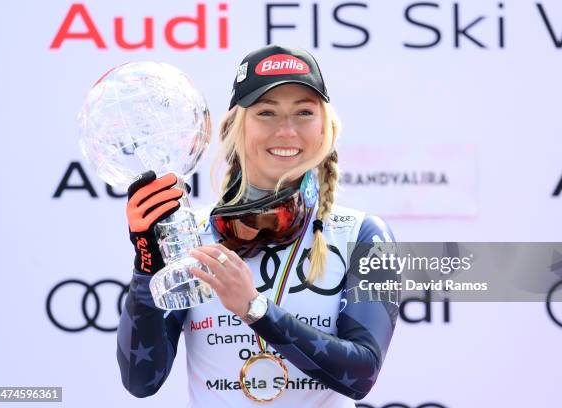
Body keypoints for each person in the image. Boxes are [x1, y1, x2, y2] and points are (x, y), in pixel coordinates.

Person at [117, 44, 399, 407]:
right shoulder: (191, 234)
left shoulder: (363, 234)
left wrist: (255, 308)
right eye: (266, 112)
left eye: (304, 113)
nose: (286, 130)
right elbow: (141, 380)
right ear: (236, 126)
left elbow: (362, 374)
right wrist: (146, 266)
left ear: (325, 127)